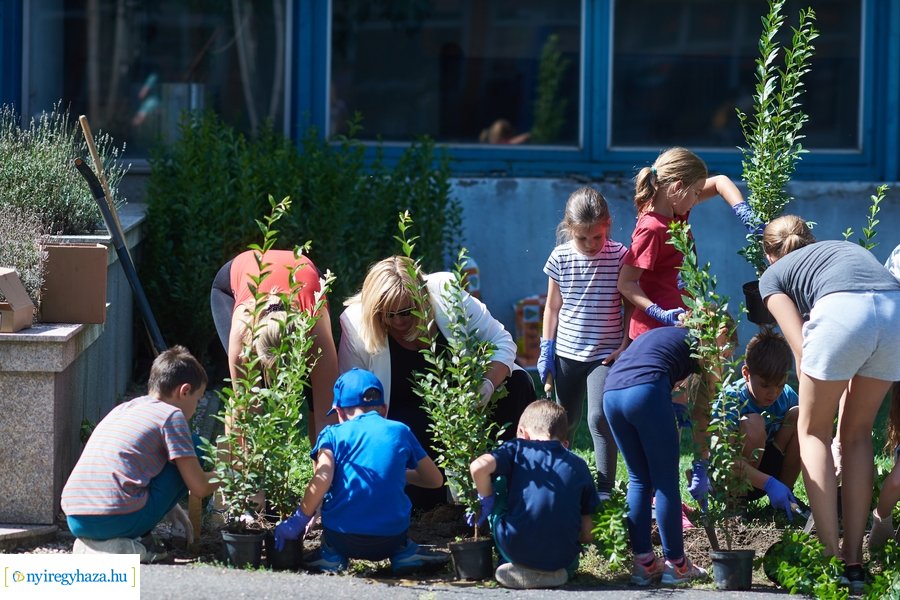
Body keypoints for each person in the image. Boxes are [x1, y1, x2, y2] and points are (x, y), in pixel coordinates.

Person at [759, 215, 900, 592]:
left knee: (812, 431)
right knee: (856, 435)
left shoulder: (771, 277)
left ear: (768, 254)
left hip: (842, 314)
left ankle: (829, 557)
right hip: (894, 313)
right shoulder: (841, 250)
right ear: (811, 239)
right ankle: (855, 562)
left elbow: (801, 348)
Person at [338, 255, 536, 510]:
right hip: (403, 419)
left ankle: (513, 486)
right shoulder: (355, 323)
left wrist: (485, 386)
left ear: (423, 297)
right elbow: (350, 397)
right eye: (389, 314)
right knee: (421, 496)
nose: (398, 321)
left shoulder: (447, 294)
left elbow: (502, 342)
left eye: (407, 311)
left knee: (516, 383)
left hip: (465, 403)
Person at [273, 368, 450, 574]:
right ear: (383, 409)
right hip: (391, 538)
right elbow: (435, 480)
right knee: (397, 532)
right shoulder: (400, 430)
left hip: (342, 537)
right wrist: (396, 474)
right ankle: (404, 553)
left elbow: (323, 477)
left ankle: (331, 556)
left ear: (338, 411)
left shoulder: (331, 434)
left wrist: (298, 520)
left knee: (333, 536)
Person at [61, 346, 218, 562]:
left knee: (178, 454)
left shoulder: (124, 408)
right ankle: (125, 543)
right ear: (184, 390)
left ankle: (102, 544)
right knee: (196, 446)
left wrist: (170, 507)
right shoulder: (171, 415)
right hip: (116, 519)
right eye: (198, 399)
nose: (196, 406)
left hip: (76, 518)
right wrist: (232, 474)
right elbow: (199, 486)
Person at [602, 325, 725, 586]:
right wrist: (703, 463)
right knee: (665, 481)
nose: (724, 356)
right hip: (644, 390)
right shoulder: (707, 344)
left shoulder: (668, 335)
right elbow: (704, 410)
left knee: (638, 479)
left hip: (611, 392)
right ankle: (677, 565)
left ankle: (644, 564)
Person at [538, 186, 631, 498]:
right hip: (566, 354)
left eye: (597, 237)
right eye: (583, 238)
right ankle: (562, 480)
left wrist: (624, 343)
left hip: (603, 355)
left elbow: (629, 304)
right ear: (569, 230)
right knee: (566, 418)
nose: (591, 244)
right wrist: (546, 349)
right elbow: (552, 307)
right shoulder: (560, 258)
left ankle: (604, 487)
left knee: (599, 417)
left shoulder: (620, 256)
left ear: (608, 226)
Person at [617, 147, 760, 341]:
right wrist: (658, 312)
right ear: (677, 187)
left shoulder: (676, 212)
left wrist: (743, 212)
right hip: (653, 334)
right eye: (696, 193)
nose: (697, 199)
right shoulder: (651, 228)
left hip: (679, 325)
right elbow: (626, 283)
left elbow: (720, 181)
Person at [468, 400, 598, 589]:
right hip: (562, 557)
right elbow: (587, 534)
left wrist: (487, 500)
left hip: (515, 548)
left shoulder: (517, 448)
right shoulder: (579, 465)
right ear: (564, 440)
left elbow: (478, 467)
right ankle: (558, 572)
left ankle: (511, 563)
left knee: (499, 480)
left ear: (523, 432)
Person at [210, 248, 338, 438]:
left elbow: (328, 418)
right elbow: (248, 410)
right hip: (232, 283)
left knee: (318, 398)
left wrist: (324, 467)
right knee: (247, 398)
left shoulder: (317, 331)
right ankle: (232, 467)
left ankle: (317, 464)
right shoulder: (243, 331)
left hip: (305, 280)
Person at [717, 329, 801, 517]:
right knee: (754, 422)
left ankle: (784, 499)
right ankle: (736, 505)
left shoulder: (786, 395)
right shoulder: (731, 399)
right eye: (765, 385)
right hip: (734, 478)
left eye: (779, 385)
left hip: (770, 473)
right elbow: (725, 460)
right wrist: (769, 483)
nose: (773, 393)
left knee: (801, 416)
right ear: (746, 373)